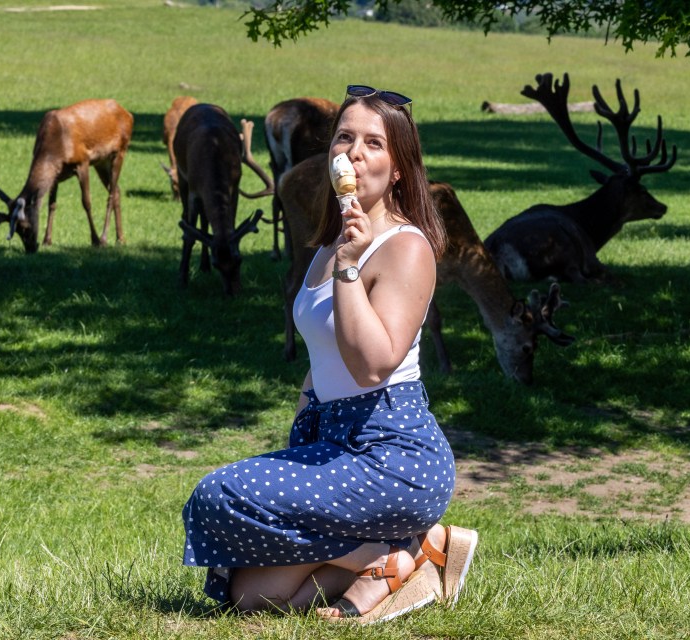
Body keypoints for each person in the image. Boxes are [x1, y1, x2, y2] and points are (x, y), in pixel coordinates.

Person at [182, 85, 477, 624]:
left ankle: (403, 549)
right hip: (329, 439)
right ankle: (393, 557)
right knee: (248, 594)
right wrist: (301, 437)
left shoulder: (405, 249)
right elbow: (321, 365)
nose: (355, 152)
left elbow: (372, 363)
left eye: (374, 143)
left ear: (399, 170)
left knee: (216, 496)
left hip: (392, 453)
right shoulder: (328, 244)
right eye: (345, 138)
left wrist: (349, 266)